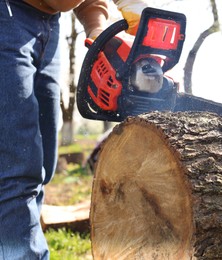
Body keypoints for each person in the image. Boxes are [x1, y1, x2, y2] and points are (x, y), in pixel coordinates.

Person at [0, 0, 147, 258]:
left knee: (43, 161)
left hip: (49, 25)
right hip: (8, 14)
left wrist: (97, 29)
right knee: (16, 165)